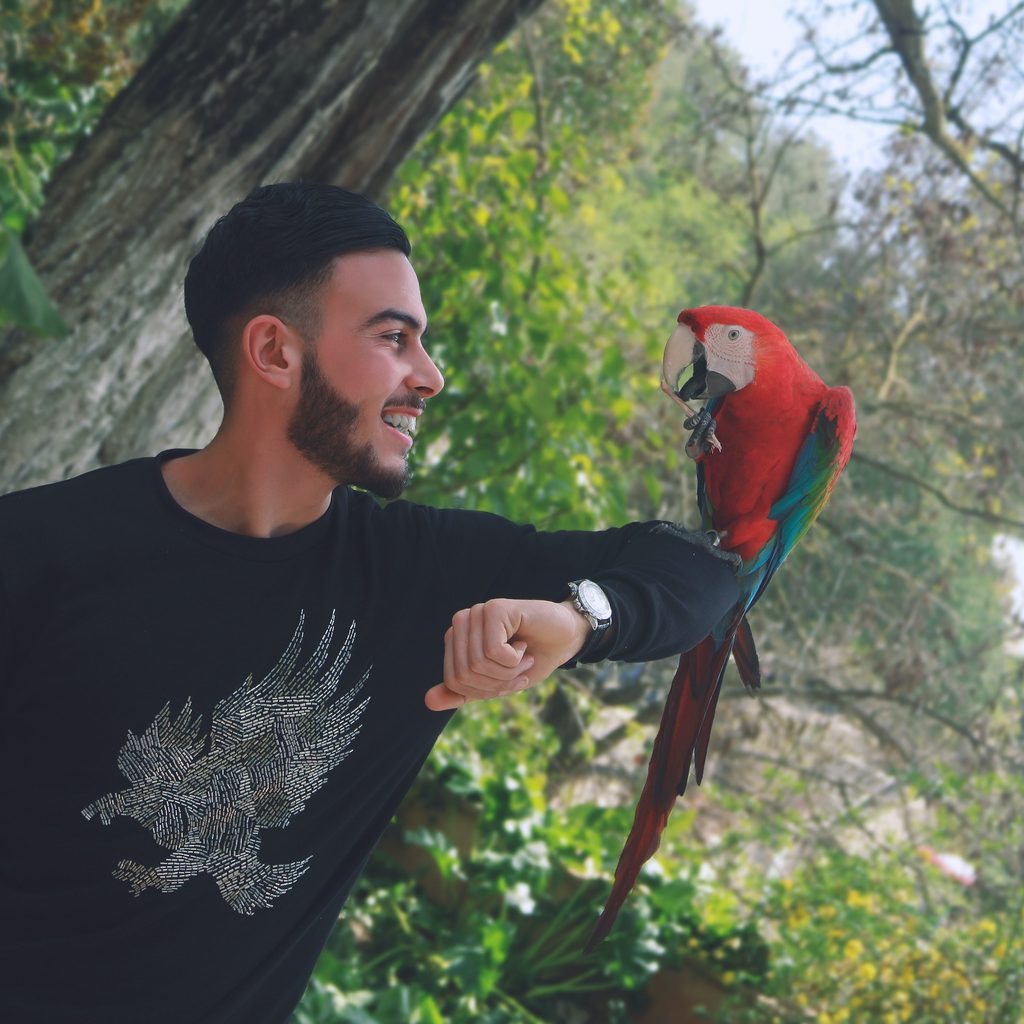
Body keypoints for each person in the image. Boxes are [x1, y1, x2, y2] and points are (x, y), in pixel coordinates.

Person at [0, 183, 738, 1023]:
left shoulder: (423, 574)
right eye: (394, 338)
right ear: (275, 352)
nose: (431, 375)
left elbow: (701, 573)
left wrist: (579, 619)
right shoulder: (38, 553)